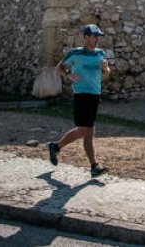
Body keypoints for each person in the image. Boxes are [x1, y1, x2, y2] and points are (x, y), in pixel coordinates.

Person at [47, 23, 111, 177]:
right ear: (86, 37)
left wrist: (106, 68)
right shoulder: (75, 53)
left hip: (95, 95)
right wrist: (69, 75)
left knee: (87, 131)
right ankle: (92, 166)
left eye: (98, 37)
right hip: (81, 95)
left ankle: (57, 147)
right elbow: (59, 68)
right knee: (85, 130)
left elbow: (107, 74)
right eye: (95, 36)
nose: (97, 39)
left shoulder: (100, 53)